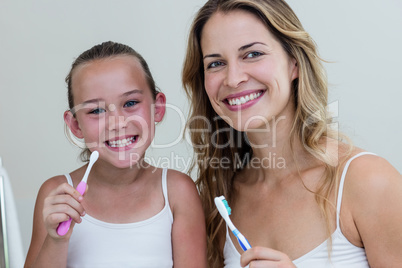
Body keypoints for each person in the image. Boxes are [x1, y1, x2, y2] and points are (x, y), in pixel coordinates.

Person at [182, 0, 402, 267]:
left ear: (294, 63)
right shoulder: (220, 198)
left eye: (252, 54)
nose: (233, 78)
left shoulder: (367, 181)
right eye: (216, 63)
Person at [24, 41, 207, 268]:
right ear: (75, 125)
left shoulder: (178, 191)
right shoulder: (57, 194)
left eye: (130, 103)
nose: (117, 123)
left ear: (157, 108)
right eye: (96, 110)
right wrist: (56, 240)